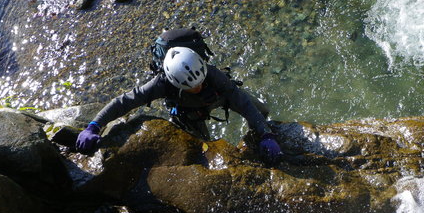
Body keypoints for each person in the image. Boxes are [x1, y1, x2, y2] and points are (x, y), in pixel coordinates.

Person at [75, 40, 282, 164]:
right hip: (189, 113)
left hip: (218, 98)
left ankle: (260, 141)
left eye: (201, 82)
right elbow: (124, 102)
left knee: (261, 112)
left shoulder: (213, 74)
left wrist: (266, 134)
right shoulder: (161, 84)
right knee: (205, 149)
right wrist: (95, 125)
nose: (199, 87)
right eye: (193, 86)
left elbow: (241, 101)